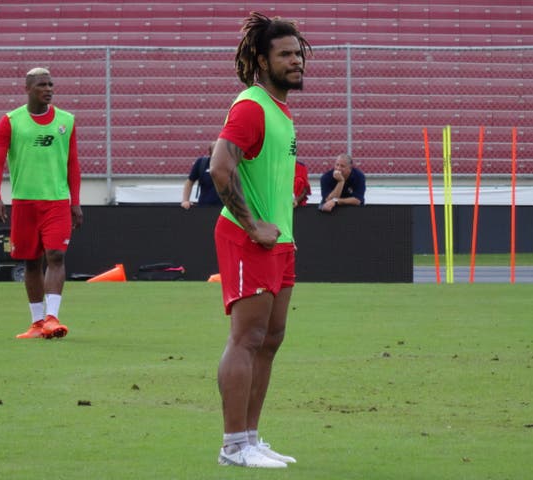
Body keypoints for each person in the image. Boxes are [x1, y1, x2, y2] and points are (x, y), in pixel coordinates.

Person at [209, 12, 311, 469]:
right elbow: (219, 168)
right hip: (249, 238)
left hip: (280, 241)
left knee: (271, 339)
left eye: (298, 54)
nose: (296, 62)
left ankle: (250, 438)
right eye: (285, 54)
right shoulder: (251, 106)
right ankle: (233, 446)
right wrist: (254, 226)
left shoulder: (282, 112)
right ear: (261, 59)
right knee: (246, 338)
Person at [0, 67, 83, 340]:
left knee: (56, 255)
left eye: (51, 84)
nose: (48, 89)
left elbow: (73, 165)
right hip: (25, 203)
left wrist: (75, 202)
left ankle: (53, 317)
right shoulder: (11, 121)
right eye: (42, 85)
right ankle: (37, 322)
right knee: (31, 261)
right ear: (28, 89)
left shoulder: (66, 121)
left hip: (56, 202)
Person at [180, 142, 222, 209]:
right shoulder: (201, 163)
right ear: (210, 153)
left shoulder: (230, 165)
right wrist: (185, 200)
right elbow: (189, 182)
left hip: (225, 209)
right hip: (204, 207)